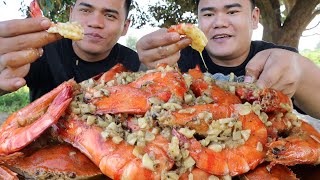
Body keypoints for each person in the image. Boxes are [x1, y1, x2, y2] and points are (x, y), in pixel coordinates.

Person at [136, 0, 320, 119]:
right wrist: (150, 65)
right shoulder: (177, 59)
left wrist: (302, 70)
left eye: (232, 12)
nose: (220, 23)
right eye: (208, 14)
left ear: (254, 18)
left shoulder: (278, 59)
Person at [0, 0, 140, 101]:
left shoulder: (135, 64)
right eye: (85, 10)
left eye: (110, 15)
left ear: (125, 27)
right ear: (71, 14)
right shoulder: (40, 51)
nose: (95, 23)